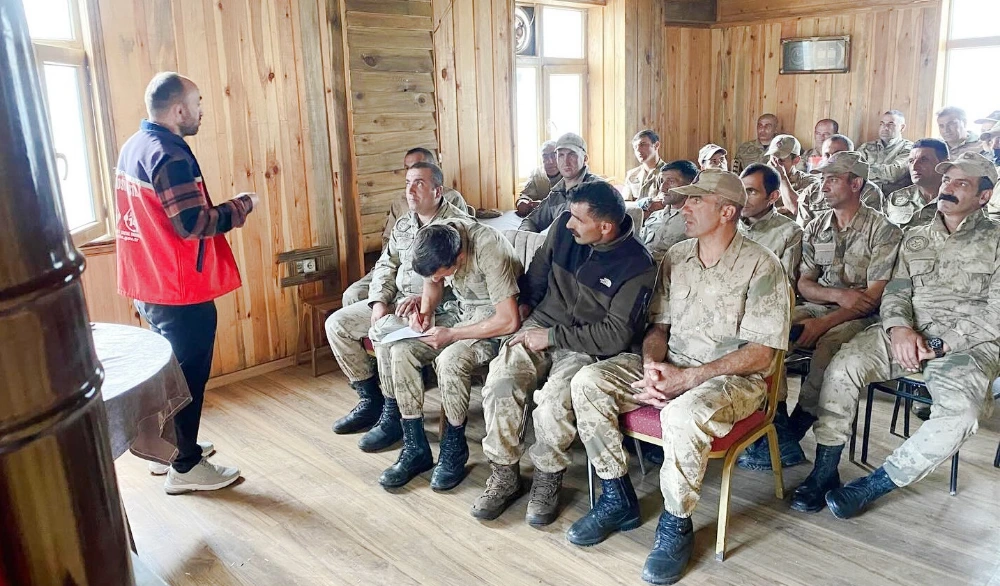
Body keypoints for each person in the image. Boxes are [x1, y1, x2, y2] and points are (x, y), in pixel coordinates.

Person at [567, 169, 790, 585]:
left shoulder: (763, 266)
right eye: (685, 200)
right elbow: (659, 330)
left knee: (682, 415)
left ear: (726, 211)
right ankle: (617, 497)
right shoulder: (678, 256)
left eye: (695, 201)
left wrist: (688, 379)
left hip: (735, 381)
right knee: (588, 382)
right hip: (676, 364)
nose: (683, 206)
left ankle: (676, 524)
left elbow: (763, 354)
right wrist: (653, 366)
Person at [789, 152, 1000, 520]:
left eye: (961, 183)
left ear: (984, 196)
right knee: (842, 366)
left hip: (967, 345)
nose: (947, 188)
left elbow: (995, 314)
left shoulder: (996, 240)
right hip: (906, 332)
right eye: (947, 180)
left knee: (962, 414)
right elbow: (896, 293)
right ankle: (824, 468)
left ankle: (876, 483)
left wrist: (943, 343)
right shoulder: (916, 237)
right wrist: (900, 328)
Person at [471, 181, 656, 524]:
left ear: (605, 226)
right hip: (540, 325)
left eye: (577, 219)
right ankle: (504, 475)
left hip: (585, 345)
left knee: (554, 404)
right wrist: (524, 307)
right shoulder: (563, 228)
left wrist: (553, 336)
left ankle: (546, 477)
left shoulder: (637, 266)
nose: (568, 223)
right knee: (500, 383)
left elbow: (616, 334)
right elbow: (537, 274)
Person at [116, 72, 258, 493]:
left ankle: (171, 449)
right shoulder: (170, 155)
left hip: (147, 283)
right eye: (198, 102)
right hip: (177, 289)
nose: (201, 110)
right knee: (186, 381)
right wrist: (243, 205)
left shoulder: (134, 146)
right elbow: (194, 223)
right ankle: (186, 468)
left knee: (168, 374)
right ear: (178, 110)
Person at [738, 152, 902, 471]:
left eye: (833, 179)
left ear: (856, 184)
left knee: (829, 345)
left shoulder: (883, 230)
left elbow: (871, 297)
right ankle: (774, 414)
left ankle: (800, 422)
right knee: (770, 331)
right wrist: (838, 295)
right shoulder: (816, 226)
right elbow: (805, 284)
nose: (824, 185)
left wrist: (826, 320)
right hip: (821, 304)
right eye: (823, 178)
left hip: (864, 317)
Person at [324, 162, 466, 446]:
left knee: (388, 337)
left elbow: (463, 277)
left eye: (419, 183)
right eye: (407, 183)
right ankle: (371, 400)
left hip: (438, 309)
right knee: (337, 324)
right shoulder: (404, 223)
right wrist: (378, 301)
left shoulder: (457, 226)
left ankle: (394, 416)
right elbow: (385, 266)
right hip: (399, 301)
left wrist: (423, 302)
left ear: (438, 190)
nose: (410, 190)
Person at [374, 220, 522, 490]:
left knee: (450, 359)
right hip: (461, 314)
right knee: (400, 350)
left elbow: (509, 320)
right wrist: (426, 313)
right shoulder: (436, 238)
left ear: (461, 257)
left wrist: (452, 335)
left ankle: (453, 448)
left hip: (494, 326)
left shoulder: (488, 247)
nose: (438, 279)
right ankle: (415, 447)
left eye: (444, 273)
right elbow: (433, 280)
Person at [342, 149, 470, 306]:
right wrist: (386, 282)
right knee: (352, 295)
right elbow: (388, 243)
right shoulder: (400, 202)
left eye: (416, 167)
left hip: (428, 272)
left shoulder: (450, 199)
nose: (411, 187)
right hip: (398, 263)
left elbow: (457, 246)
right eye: (407, 168)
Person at [519, 133, 600, 232]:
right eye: (561, 155)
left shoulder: (599, 189)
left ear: (585, 158)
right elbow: (531, 221)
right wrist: (524, 239)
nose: (566, 161)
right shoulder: (556, 194)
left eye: (572, 154)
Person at [738, 163, 803, 288]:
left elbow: (784, 285)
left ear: (773, 197)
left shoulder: (789, 232)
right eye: (741, 191)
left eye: (751, 192)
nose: (743, 198)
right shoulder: (729, 225)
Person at [796, 135, 884, 226]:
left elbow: (869, 228)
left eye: (838, 154)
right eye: (827, 155)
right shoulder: (811, 192)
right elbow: (803, 232)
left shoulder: (869, 191)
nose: (831, 159)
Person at [639, 160, 698, 263]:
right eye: (662, 181)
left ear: (689, 185)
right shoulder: (655, 216)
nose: (663, 188)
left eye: (671, 182)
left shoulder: (697, 220)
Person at [884, 138, 949, 228]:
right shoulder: (895, 198)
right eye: (911, 161)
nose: (914, 167)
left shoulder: (957, 200)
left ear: (944, 165)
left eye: (924, 160)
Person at [859, 110, 913, 195]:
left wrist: (868, 169)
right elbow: (855, 170)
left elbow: (893, 173)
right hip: (866, 196)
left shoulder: (909, 148)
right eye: (882, 124)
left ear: (902, 127)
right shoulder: (866, 147)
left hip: (895, 199)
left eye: (891, 124)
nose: (885, 127)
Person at [766, 134, 820, 218]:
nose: (775, 164)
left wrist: (782, 177)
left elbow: (796, 209)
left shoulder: (809, 182)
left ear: (796, 160)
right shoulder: (760, 180)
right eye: (773, 158)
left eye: (781, 160)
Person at [516, 140, 560, 217]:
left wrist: (545, 206)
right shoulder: (536, 173)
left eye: (553, 156)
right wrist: (522, 202)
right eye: (545, 156)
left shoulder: (570, 174)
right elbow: (526, 195)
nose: (549, 161)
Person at [624, 130, 666, 202]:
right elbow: (626, 203)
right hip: (633, 212)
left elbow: (662, 203)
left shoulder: (668, 174)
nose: (638, 150)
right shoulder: (632, 174)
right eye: (635, 147)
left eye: (643, 144)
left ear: (656, 145)